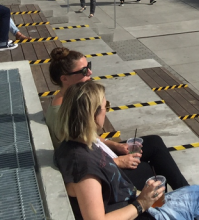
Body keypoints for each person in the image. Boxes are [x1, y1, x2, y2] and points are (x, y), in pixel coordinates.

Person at [54, 80, 199, 220]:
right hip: (140, 213)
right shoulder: (83, 166)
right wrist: (141, 203)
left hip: (134, 202)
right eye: (105, 107)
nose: (107, 112)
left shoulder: (78, 142)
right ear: (92, 115)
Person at [45, 48, 190, 191]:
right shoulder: (64, 113)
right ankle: (175, 199)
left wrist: (115, 145)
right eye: (83, 71)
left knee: (154, 143)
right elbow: (78, 158)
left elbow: (88, 137)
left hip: (97, 152)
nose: (90, 72)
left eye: (89, 66)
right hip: (96, 163)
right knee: (146, 169)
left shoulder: (71, 99)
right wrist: (117, 162)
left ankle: (185, 191)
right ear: (64, 78)